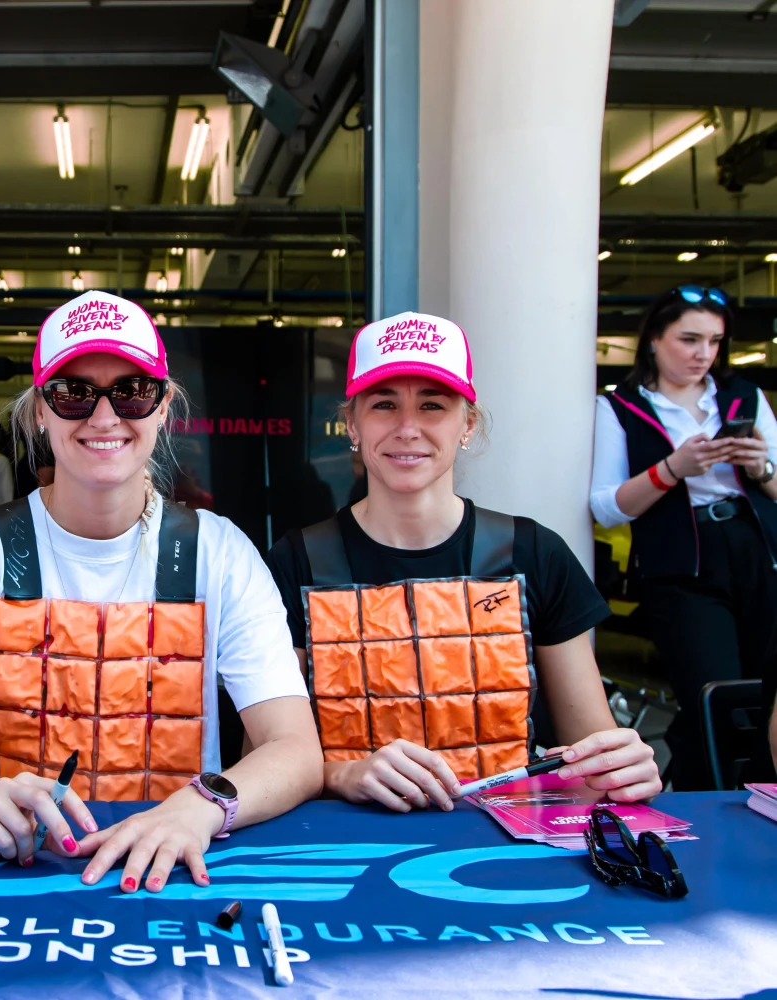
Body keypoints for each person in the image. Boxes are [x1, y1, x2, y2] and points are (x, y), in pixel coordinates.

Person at [0, 291, 323, 893]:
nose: (104, 417)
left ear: (162, 409)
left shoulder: (220, 549)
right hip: (23, 866)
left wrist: (203, 807)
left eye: (132, 391)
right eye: (74, 393)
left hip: (187, 867)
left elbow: (293, 745)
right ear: (39, 414)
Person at [267, 312, 659, 813]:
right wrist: (341, 773)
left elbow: (592, 752)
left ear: (467, 424)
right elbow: (259, 755)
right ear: (352, 424)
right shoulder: (295, 561)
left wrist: (621, 766)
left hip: (504, 849)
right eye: (384, 404)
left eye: (433, 405)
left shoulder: (533, 553)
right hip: (344, 843)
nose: (408, 428)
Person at [590, 285, 777, 789]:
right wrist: (672, 468)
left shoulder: (744, 396)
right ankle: (712, 803)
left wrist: (760, 467)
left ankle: (739, 798)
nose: (703, 354)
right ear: (654, 339)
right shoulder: (621, 408)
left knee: (766, 692)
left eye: (715, 341)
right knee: (710, 692)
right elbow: (606, 505)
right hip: (681, 563)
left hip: (756, 550)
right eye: (689, 339)